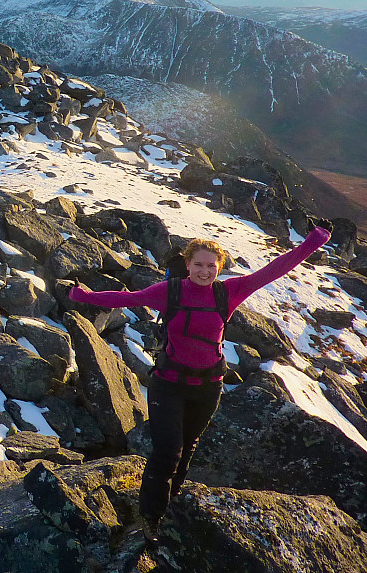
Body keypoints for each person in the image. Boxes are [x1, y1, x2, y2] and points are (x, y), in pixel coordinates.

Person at [69, 224, 331, 543]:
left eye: (211, 265)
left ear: (219, 267)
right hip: (168, 384)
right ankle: (148, 519)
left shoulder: (228, 292)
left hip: (208, 388)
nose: (205, 271)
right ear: (188, 264)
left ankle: (171, 503)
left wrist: (314, 241)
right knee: (167, 450)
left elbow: (274, 270)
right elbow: (128, 298)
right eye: (198, 265)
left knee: (187, 447)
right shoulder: (171, 291)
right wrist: (83, 296)